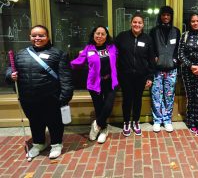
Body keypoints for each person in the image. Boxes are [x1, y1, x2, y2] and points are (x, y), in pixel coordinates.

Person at [5, 25, 73, 160]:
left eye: (41, 35)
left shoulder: (58, 54)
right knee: (35, 122)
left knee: (54, 122)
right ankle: (38, 143)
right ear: (30, 37)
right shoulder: (20, 54)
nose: (37, 38)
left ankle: (56, 144)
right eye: (34, 35)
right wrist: (10, 75)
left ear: (47, 37)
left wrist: (64, 97)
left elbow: (66, 78)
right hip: (27, 98)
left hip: (51, 98)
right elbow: (9, 69)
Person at [70, 26, 118, 144]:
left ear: (106, 36)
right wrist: (64, 65)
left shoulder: (112, 47)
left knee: (108, 106)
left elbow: (122, 58)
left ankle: (96, 125)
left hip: (110, 82)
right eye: (98, 33)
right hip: (94, 83)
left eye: (103, 34)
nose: (100, 36)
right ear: (93, 35)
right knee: (99, 108)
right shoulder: (89, 48)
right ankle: (104, 129)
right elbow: (78, 62)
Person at [115, 12, 155, 137]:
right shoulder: (122, 37)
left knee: (138, 99)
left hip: (140, 76)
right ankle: (126, 122)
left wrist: (150, 77)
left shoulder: (147, 39)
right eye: (135, 22)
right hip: (125, 75)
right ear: (131, 23)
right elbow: (113, 54)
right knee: (127, 99)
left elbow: (151, 59)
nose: (137, 24)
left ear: (143, 25)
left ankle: (136, 122)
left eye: (139, 22)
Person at [149, 6, 180, 133]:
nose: (166, 17)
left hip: (171, 70)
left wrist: (175, 60)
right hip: (157, 70)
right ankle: (157, 120)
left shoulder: (176, 31)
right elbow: (150, 48)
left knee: (169, 96)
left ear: (171, 16)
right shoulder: (154, 31)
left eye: (168, 15)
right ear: (160, 16)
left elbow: (179, 48)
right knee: (156, 95)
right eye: (163, 15)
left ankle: (167, 120)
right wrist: (154, 58)